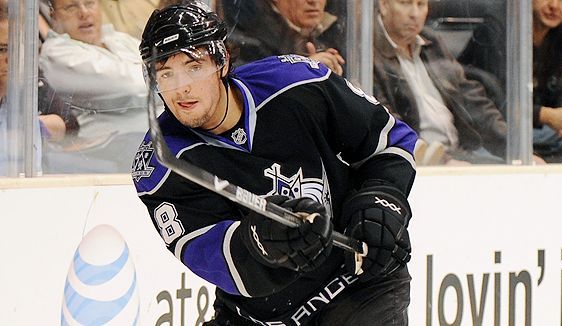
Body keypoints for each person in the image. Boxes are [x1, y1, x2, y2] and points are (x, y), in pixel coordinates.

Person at [132, 2, 418, 325]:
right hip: (263, 318)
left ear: (222, 61)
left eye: (193, 67)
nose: (180, 87)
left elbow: (389, 140)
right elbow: (220, 260)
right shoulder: (160, 166)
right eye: (166, 73)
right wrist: (262, 240)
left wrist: (381, 201)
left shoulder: (295, 83)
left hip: (357, 286)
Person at [373, 0, 519, 165]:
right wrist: (443, 161)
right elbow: (383, 121)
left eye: (421, 5)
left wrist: (518, 149)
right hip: (409, 163)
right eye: (405, 3)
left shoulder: (431, 42)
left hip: (458, 155)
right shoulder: (366, 51)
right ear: (384, 5)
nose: (415, 14)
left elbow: (471, 100)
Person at [459, 0, 562, 162]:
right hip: (494, 134)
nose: (555, 6)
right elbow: (494, 105)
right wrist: (547, 115)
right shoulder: (495, 30)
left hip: (547, 134)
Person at [40, 0, 150, 172]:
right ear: (54, 17)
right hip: (111, 148)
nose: (84, 13)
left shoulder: (121, 40)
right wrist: (169, 75)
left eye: (89, 3)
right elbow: (133, 85)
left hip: (151, 140)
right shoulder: (57, 53)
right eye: (71, 7)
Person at [0, 0, 79, 175]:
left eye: (14, 48)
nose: (10, 58)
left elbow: (70, 123)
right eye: (2, 49)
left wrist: (34, 125)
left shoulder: (25, 79)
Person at [225, 0, 346, 75]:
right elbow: (244, 83)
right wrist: (302, 70)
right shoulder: (246, 36)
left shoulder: (339, 32)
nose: (313, 1)